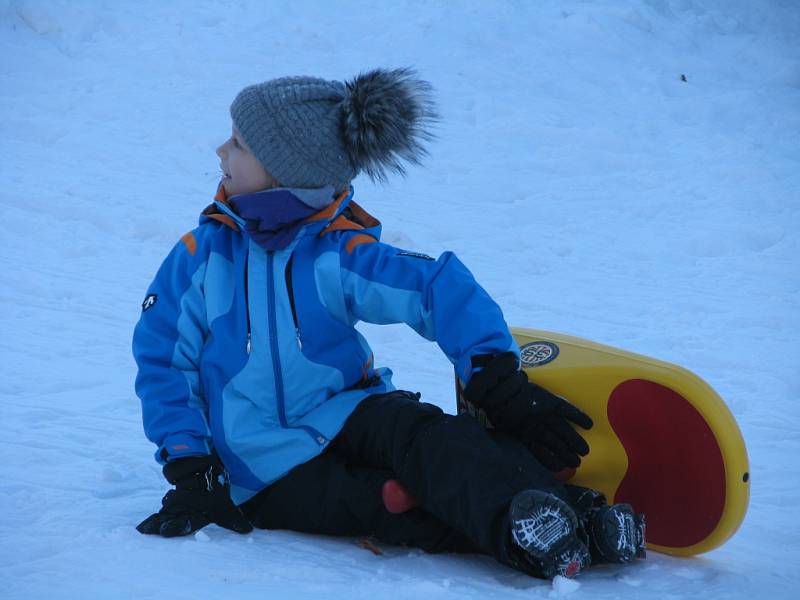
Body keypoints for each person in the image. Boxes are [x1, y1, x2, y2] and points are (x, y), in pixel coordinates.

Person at [132, 68, 645, 579]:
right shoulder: (201, 258)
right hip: (260, 467)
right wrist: (190, 465)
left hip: (348, 408)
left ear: (286, 167)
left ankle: (577, 517)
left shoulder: (333, 250)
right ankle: (535, 539)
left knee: (430, 441)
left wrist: (493, 374)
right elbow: (164, 361)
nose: (221, 151)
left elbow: (433, 287)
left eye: (239, 143)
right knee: (390, 501)